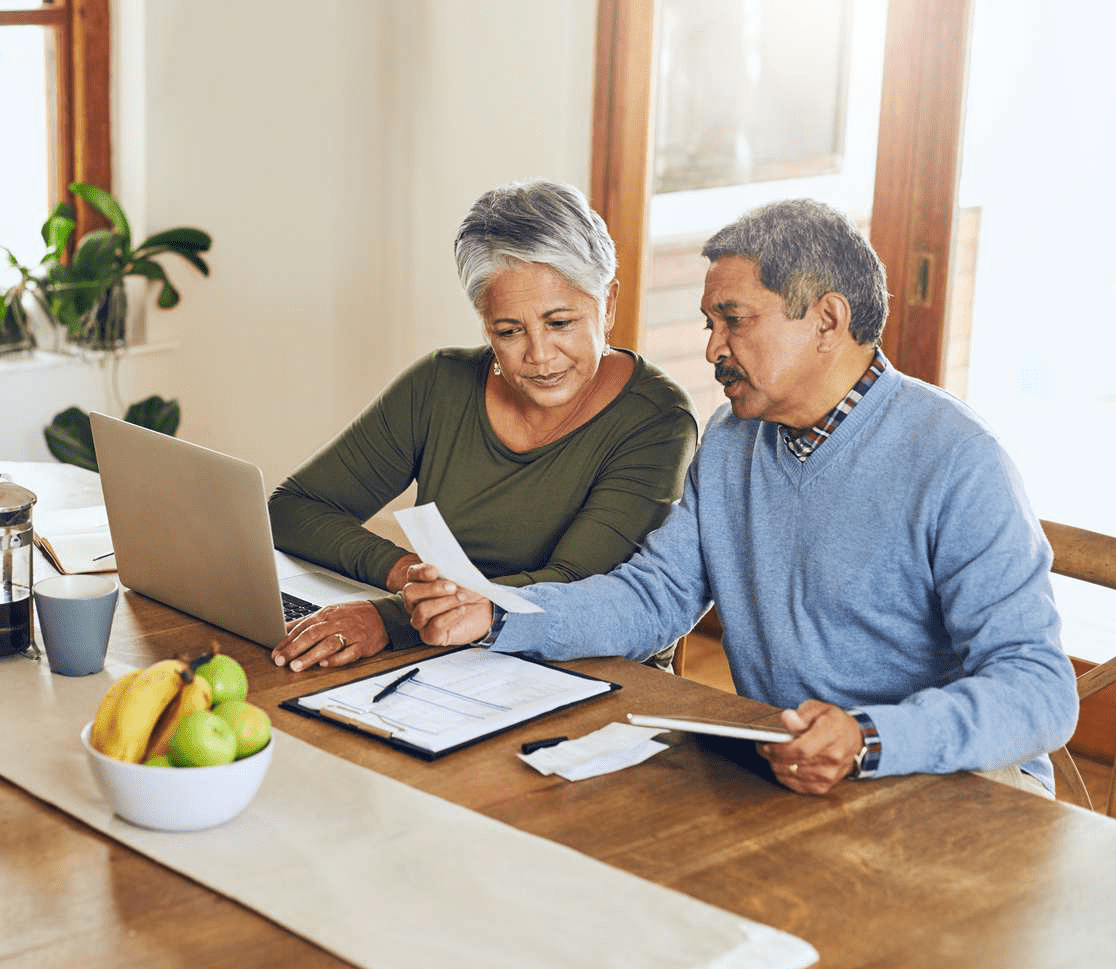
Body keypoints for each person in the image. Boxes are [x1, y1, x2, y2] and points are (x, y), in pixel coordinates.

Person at [402, 198, 1078, 798]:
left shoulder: (959, 459)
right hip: (797, 779)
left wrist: (869, 737)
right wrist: (496, 614)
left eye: (734, 320)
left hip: (959, 791)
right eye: (708, 323)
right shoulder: (732, 439)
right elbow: (652, 597)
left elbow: (1039, 691)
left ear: (827, 319)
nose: (711, 348)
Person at [267, 180, 698, 672]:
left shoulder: (657, 419)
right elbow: (294, 509)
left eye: (561, 323)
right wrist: (410, 577)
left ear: (609, 304)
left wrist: (391, 619)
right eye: (509, 331)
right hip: (447, 658)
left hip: (586, 671)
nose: (539, 356)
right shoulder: (440, 384)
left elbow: (575, 584)